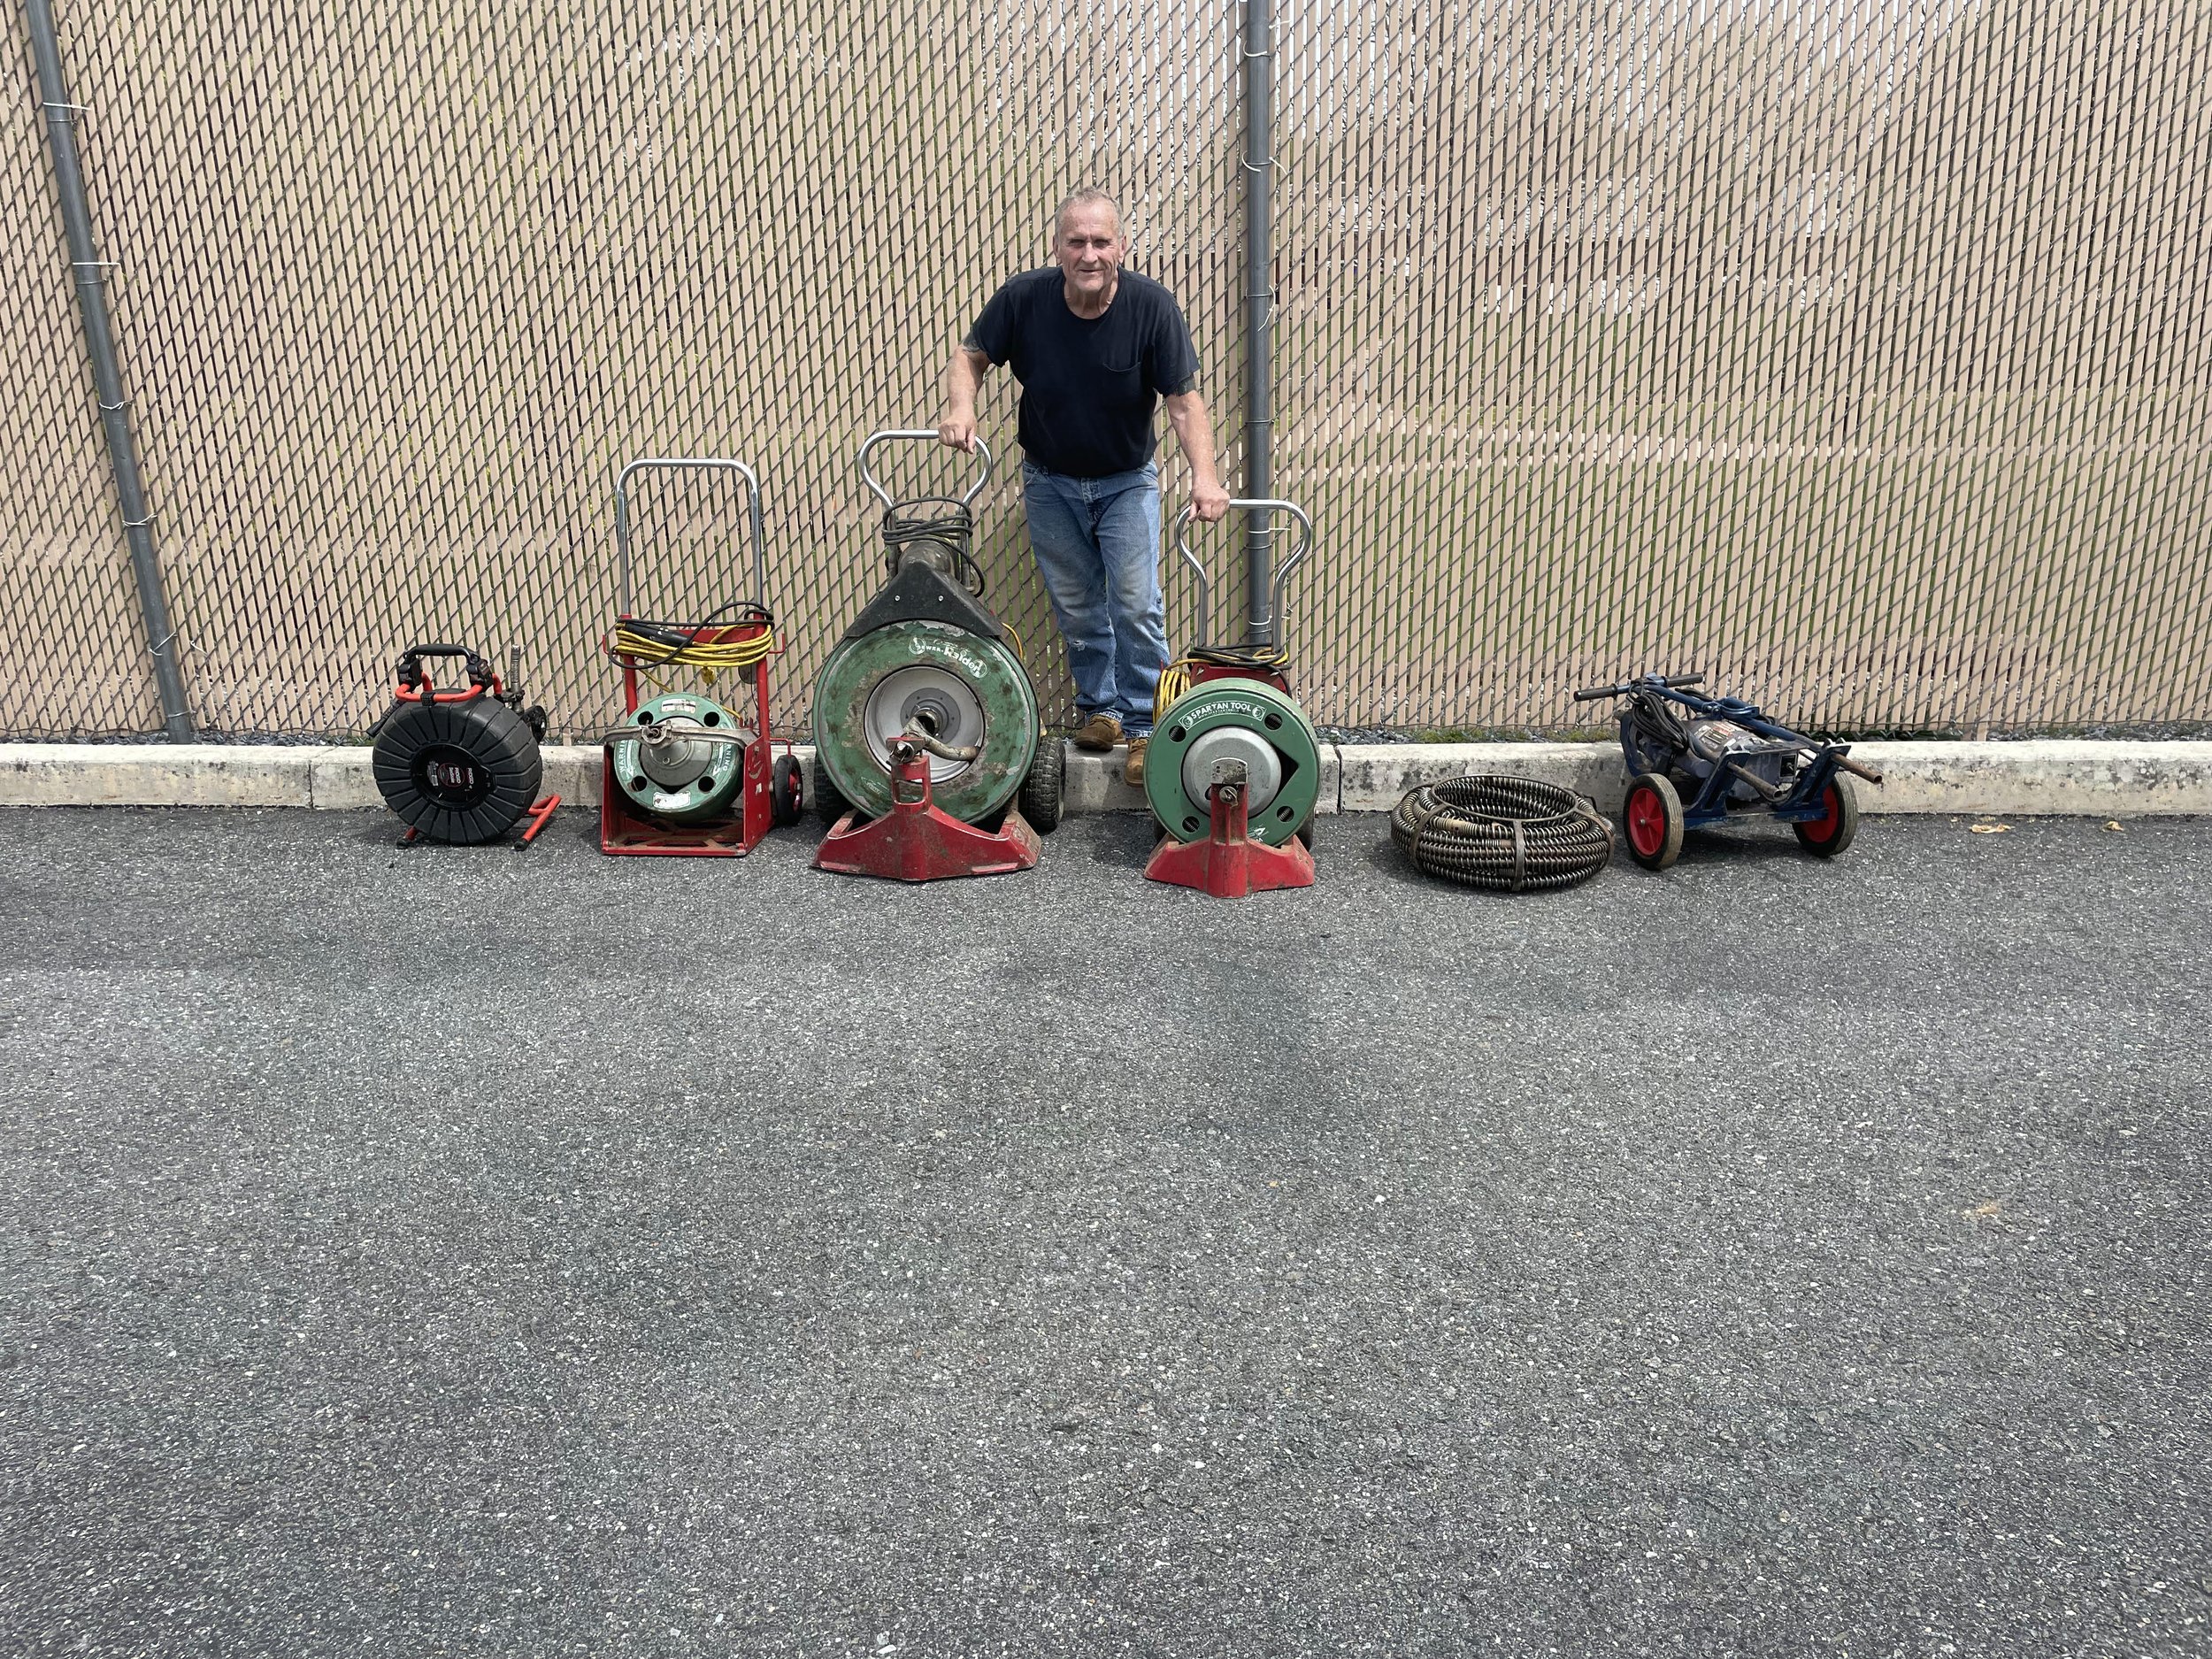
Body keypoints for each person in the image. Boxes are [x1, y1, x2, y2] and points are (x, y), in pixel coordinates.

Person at [937, 188, 1228, 786]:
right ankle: (1102, 711)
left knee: (1135, 602)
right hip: (1050, 481)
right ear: (1058, 247)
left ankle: (1149, 729)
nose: (1089, 253)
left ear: (1121, 246)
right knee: (1077, 605)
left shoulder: (1152, 307)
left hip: (1126, 484)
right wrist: (960, 407)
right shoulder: (1024, 299)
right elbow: (970, 356)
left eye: (1101, 241)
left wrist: (1206, 475)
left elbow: (1182, 401)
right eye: (1077, 241)